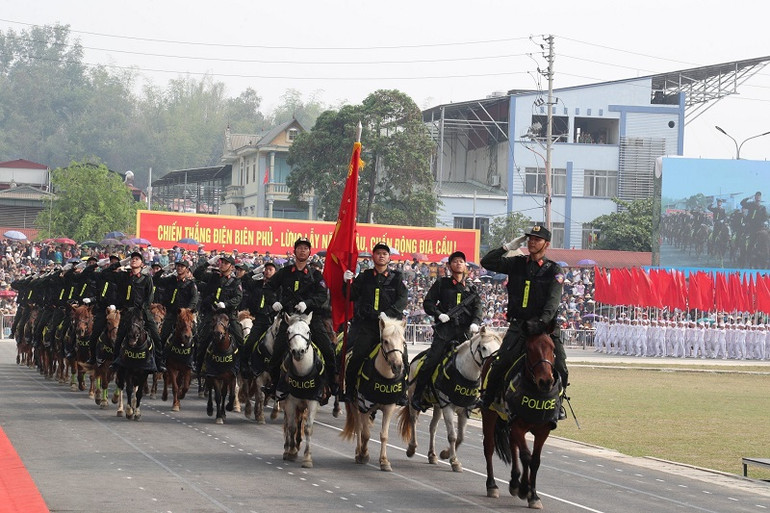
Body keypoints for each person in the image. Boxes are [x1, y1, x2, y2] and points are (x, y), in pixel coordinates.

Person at [478, 224, 568, 420]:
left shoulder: (554, 269)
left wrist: (541, 322)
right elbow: (487, 262)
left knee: (560, 365)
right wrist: (507, 247)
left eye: (537, 239)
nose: (532, 242)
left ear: (546, 244)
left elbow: (553, 303)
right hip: (519, 326)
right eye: (530, 239)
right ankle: (488, 399)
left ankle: (558, 404)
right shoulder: (517, 263)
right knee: (501, 363)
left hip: (545, 328)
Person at [263, 237, 338, 398]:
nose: (302, 251)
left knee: (327, 349)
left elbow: (322, 295)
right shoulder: (284, 272)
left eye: (306, 248)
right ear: (294, 251)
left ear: (310, 252)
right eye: (300, 248)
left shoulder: (316, 275)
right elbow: (269, 287)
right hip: (289, 319)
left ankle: (332, 384)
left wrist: (307, 303)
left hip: (310, 318)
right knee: (277, 353)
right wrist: (274, 302)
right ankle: (274, 386)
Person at [410, 250, 482, 411]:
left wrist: (475, 323)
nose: (458, 264)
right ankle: (419, 395)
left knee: (478, 361)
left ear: (465, 266)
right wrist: (438, 314)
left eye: (461, 261)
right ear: (449, 266)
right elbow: (428, 303)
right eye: (455, 261)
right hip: (445, 332)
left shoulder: (472, 289)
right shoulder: (441, 284)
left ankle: (475, 397)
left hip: (464, 333)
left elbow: (478, 309)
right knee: (431, 361)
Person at [341, 242, 408, 403]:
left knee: (403, 359)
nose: (381, 256)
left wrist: (389, 314)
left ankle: (401, 393)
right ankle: (349, 391)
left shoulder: (396, 278)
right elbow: (350, 296)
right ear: (373, 256)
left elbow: (402, 299)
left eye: (384, 253)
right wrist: (347, 282)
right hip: (369, 326)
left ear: (389, 258)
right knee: (357, 357)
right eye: (378, 253)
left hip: (390, 327)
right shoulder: (364, 277)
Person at [107, 252, 165, 372]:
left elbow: (149, 297)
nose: (133, 260)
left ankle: (159, 362)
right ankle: (115, 361)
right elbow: (107, 273)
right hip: (127, 312)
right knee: (119, 337)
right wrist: (121, 262)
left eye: (137, 259)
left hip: (142, 312)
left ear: (142, 264)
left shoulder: (146, 279)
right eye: (132, 258)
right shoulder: (123, 276)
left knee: (156, 336)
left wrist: (141, 309)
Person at [192, 254, 243, 375]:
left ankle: (242, 366)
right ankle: (198, 367)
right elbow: (197, 274)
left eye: (225, 263)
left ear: (231, 266)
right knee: (201, 337)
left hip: (228, 314)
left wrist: (226, 304)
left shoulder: (235, 282)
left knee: (240, 338)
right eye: (221, 262)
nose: (222, 265)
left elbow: (238, 297)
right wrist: (207, 263)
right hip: (213, 314)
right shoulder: (213, 277)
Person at [155, 259, 199, 347]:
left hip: (185, 316)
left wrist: (188, 310)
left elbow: (195, 298)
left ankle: (195, 359)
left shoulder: (190, 284)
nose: (179, 268)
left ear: (187, 269)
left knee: (195, 337)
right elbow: (155, 280)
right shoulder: (171, 279)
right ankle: (160, 358)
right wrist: (163, 270)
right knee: (163, 337)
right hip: (171, 314)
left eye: (182, 266)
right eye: (178, 266)